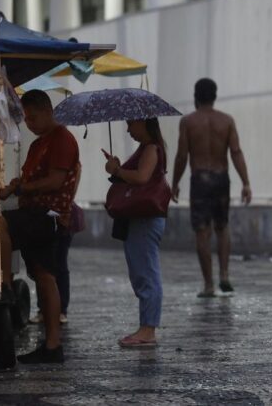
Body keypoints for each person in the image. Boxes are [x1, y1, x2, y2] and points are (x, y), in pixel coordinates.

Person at [0, 90, 80, 364]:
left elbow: (55, 181)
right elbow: (31, 178)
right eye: (27, 120)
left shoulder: (62, 140)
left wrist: (22, 188)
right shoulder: (37, 145)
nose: (30, 124)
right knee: (44, 276)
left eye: (33, 118)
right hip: (32, 212)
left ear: (48, 111)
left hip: (47, 215)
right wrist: (15, 187)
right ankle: (52, 345)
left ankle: (5, 285)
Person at [171, 78, 252, 298]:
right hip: (221, 178)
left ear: (196, 97)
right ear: (215, 96)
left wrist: (175, 183)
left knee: (202, 231)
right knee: (222, 226)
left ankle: (208, 285)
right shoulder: (226, 121)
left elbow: (181, 156)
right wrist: (245, 182)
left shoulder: (188, 122)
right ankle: (224, 275)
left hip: (199, 180)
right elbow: (236, 152)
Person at [104, 118, 169, 347]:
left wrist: (118, 170)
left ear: (144, 122)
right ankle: (145, 326)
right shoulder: (145, 148)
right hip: (140, 219)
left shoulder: (151, 148)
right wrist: (117, 168)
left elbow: (142, 177)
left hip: (145, 219)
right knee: (141, 271)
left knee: (146, 273)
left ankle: (148, 329)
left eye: (132, 123)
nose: (128, 129)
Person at [30, 165, 82, 326]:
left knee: (58, 263)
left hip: (61, 216)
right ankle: (46, 310)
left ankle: (59, 310)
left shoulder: (71, 162)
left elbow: (70, 188)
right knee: (44, 264)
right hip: (43, 214)